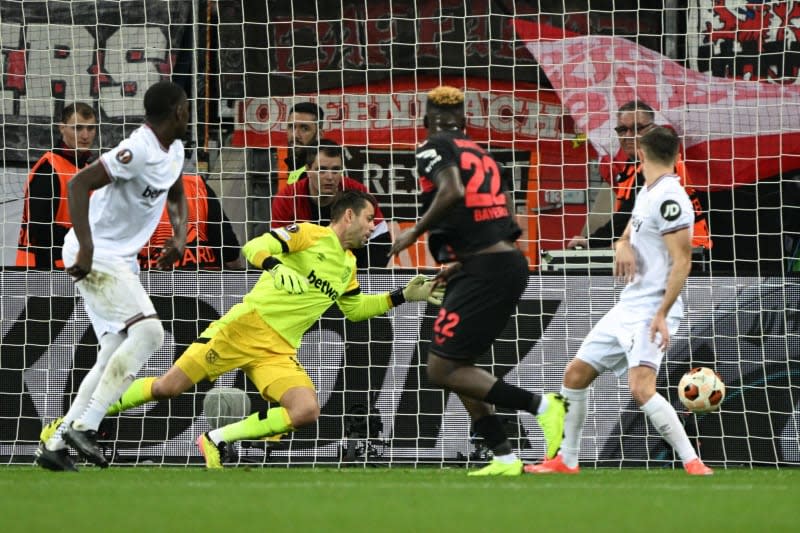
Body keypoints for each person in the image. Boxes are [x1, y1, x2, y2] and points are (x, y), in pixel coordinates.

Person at [89, 190, 441, 469]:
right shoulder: (309, 234)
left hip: (278, 349)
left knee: (305, 410)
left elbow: (354, 310)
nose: (371, 227)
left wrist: (402, 296)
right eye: (368, 219)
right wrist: (274, 266)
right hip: (242, 329)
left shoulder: (348, 266)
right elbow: (253, 245)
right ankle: (82, 418)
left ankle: (217, 439)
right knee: (167, 388)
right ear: (348, 216)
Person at [389, 86, 567, 476]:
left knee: (442, 369)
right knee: (457, 365)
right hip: (493, 263)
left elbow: (451, 190)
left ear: (426, 122)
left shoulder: (432, 146)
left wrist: (411, 234)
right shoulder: (482, 154)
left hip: (487, 270)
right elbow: (510, 224)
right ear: (465, 123)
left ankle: (543, 407)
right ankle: (503, 456)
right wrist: (461, 262)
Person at [527, 126, 714, 476]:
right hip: (629, 305)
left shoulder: (671, 198)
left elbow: (683, 260)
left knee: (641, 389)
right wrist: (622, 244)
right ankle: (567, 460)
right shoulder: (647, 190)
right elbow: (629, 230)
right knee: (575, 375)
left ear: (640, 154)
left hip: (653, 308)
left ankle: (692, 461)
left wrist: (661, 314)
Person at [34, 80, 190, 472]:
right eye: (187, 107)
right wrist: (86, 247)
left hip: (121, 257)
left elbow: (173, 192)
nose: (190, 113)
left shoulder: (175, 149)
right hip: (98, 252)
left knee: (111, 353)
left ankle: (55, 444)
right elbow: (77, 183)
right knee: (150, 333)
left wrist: (180, 234)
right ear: (178, 112)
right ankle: (86, 426)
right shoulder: (136, 148)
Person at [567, 101, 711, 252]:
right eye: (622, 130)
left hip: (685, 251)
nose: (629, 136)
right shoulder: (630, 169)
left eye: (637, 128)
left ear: (653, 129)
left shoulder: (662, 162)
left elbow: (630, 212)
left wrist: (592, 241)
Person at [272, 139, 392, 268]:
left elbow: (381, 240)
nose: (329, 177)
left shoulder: (358, 193)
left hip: (352, 269)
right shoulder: (286, 198)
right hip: (304, 271)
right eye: (322, 170)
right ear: (308, 170)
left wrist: (359, 276)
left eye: (335, 170)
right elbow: (277, 248)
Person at [16, 103, 98, 268]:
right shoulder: (48, 168)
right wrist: (86, 237)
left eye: (91, 129)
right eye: (78, 128)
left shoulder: (87, 169)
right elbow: (40, 231)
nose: (85, 135)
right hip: (44, 268)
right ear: (62, 128)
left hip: (73, 265)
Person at [139, 173, 244, 270]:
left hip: (147, 282)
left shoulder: (128, 191)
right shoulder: (195, 184)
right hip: (202, 280)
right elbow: (228, 249)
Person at [282, 101, 325, 187]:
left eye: (304, 128)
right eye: (291, 127)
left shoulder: (322, 171)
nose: (295, 135)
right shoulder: (296, 166)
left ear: (319, 134)